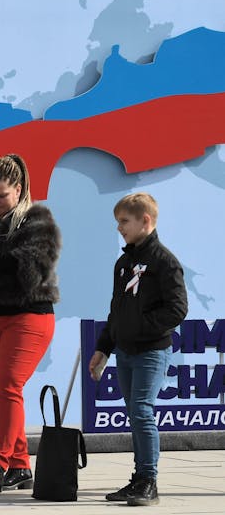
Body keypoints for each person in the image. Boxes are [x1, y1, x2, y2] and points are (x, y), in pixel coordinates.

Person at [0, 153, 61, 493]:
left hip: (29, 315)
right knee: (1, 394)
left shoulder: (38, 222)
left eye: (1, 195)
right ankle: (21, 466)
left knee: (7, 386)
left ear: (18, 190)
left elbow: (34, 274)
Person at [89, 192, 187, 507]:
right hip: (125, 352)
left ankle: (149, 481)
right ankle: (138, 478)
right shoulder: (124, 263)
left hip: (151, 350)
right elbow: (116, 311)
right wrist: (104, 348)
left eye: (124, 221)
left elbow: (177, 309)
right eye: (118, 221)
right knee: (134, 413)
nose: (119, 228)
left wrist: (141, 326)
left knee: (142, 410)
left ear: (145, 221)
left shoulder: (164, 261)